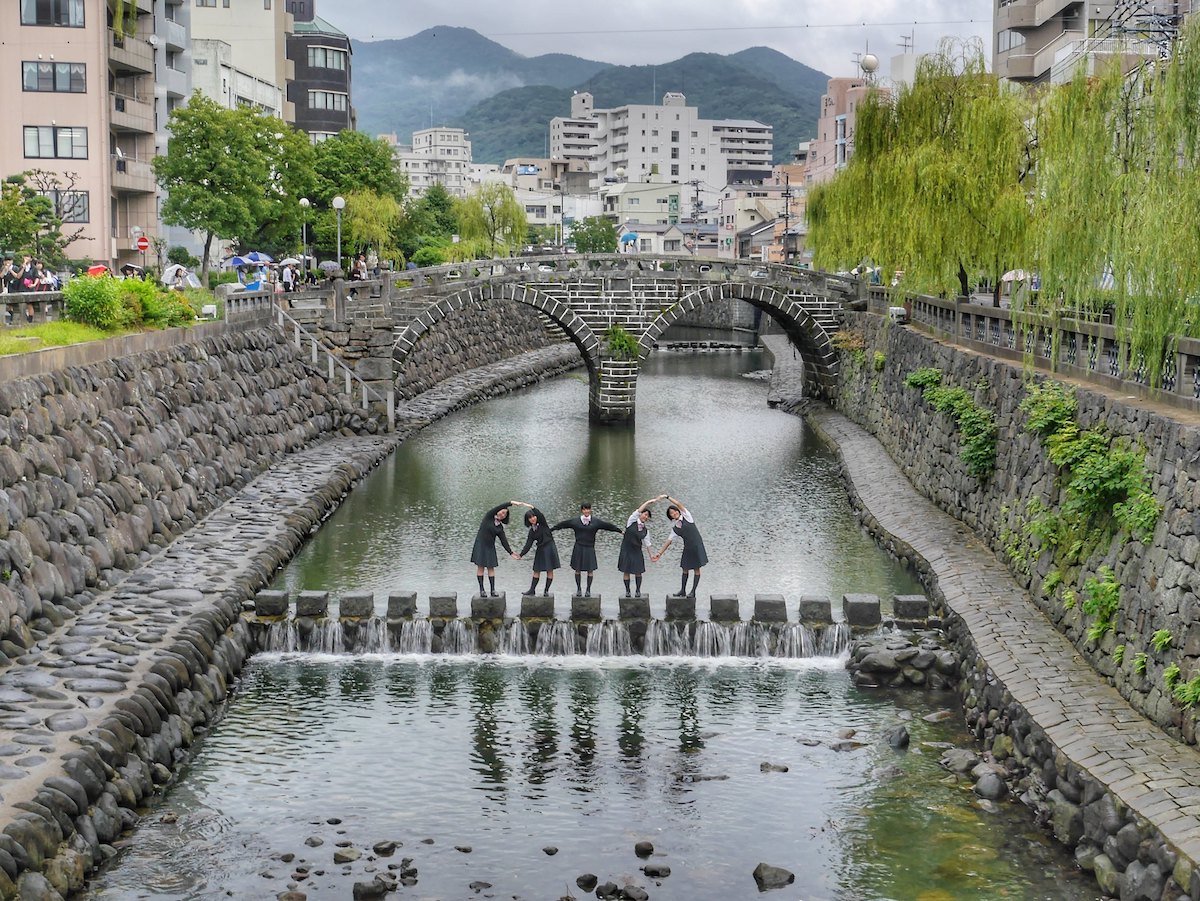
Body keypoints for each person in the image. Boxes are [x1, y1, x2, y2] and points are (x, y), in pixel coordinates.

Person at [551, 502, 622, 597]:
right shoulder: (575, 521)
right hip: (579, 547)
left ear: (590, 509)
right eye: (584, 509)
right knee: (577, 569)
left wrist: (620, 531)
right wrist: (551, 530)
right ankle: (579, 589)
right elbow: (563, 524)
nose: (586, 511)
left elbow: (608, 526)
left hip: (589, 548)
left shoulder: (596, 521)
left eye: (588, 509)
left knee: (590, 570)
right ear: (582, 510)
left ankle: (588, 590)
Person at [654, 495, 710, 599]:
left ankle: (693, 591)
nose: (674, 513)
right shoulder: (676, 528)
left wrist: (667, 497)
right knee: (685, 568)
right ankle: (683, 590)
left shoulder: (687, 516)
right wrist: (659, 553)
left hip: (697, 546)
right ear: (670, 517)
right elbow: (668, 541)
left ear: (678, 511)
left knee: (696, 569)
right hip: (688, 548)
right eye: (671, 513)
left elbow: (679, 504)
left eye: (674, 511)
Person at [470, 501, 521, 597]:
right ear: (498, 511)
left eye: (505, 514)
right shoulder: (488, 517)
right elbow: (499, 506)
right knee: (480, 567)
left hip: (490, 547)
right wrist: (511, 503)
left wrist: (511, 553)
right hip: (481, 545)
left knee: (491, 568)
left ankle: (492, 590)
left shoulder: (499, 527)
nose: (502, 514)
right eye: (502, 512)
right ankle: (482, 590)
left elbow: (504, 541)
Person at [618, 496, 664, 598]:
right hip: (626, 550)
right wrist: (649, 501)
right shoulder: (631, 521)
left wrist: (651, 555)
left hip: (637, 551)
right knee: (626, 571)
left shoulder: (646, 530)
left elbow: (647, 544)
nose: (646, 517)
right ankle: (628, 591)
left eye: (648, 516)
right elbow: (639, 510)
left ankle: (638, 591)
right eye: (645, 514)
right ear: (641, 514)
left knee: (638, 572)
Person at [517, 505, 561, 597]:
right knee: (536, 570)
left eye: (533, 516)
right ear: (528, 520)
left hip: (549, 547)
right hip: (540, 549)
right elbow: (528, 544)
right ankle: (532, 590)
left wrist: (532, 507)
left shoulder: (543, 523)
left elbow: (540, 514)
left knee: (550, 570)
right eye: (530, 518)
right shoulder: (532, 531)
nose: (532, 519)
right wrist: (521, 554)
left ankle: (546, 591)